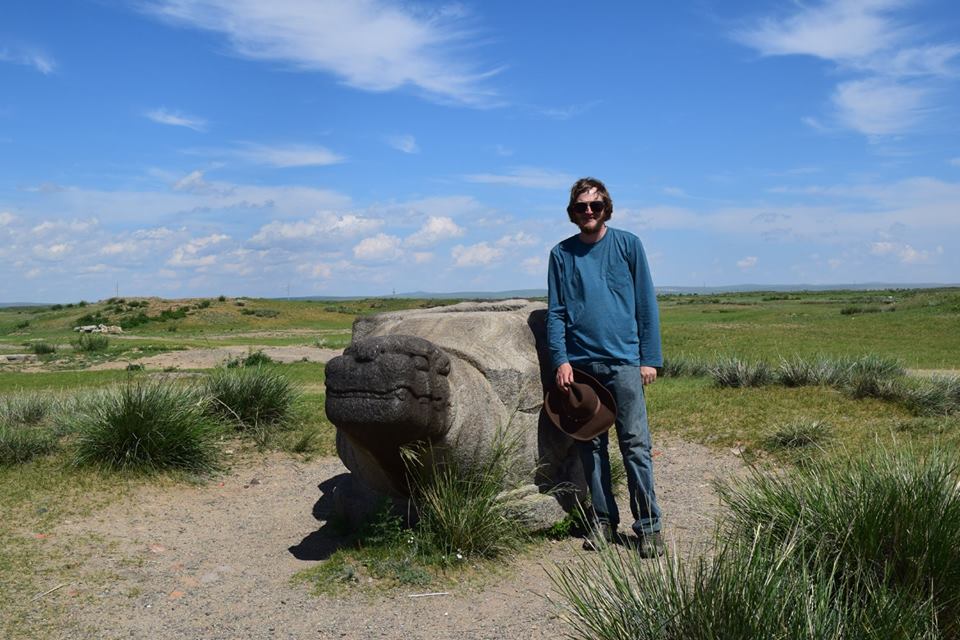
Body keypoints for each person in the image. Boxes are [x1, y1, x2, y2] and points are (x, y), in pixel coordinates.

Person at [546, 176, 664, 557]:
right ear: (573, 212)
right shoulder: (561, 255)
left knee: (635, 447)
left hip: (625, 362)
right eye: (582, 207)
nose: (589, 212)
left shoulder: (628, 245)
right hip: (581, 367)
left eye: (595, 205)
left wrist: (650, 359)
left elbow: (646, 304)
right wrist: (560, 360)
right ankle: (602, 523)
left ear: (606, 208)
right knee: (591, 447)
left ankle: (648, 527)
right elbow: (556, 313)